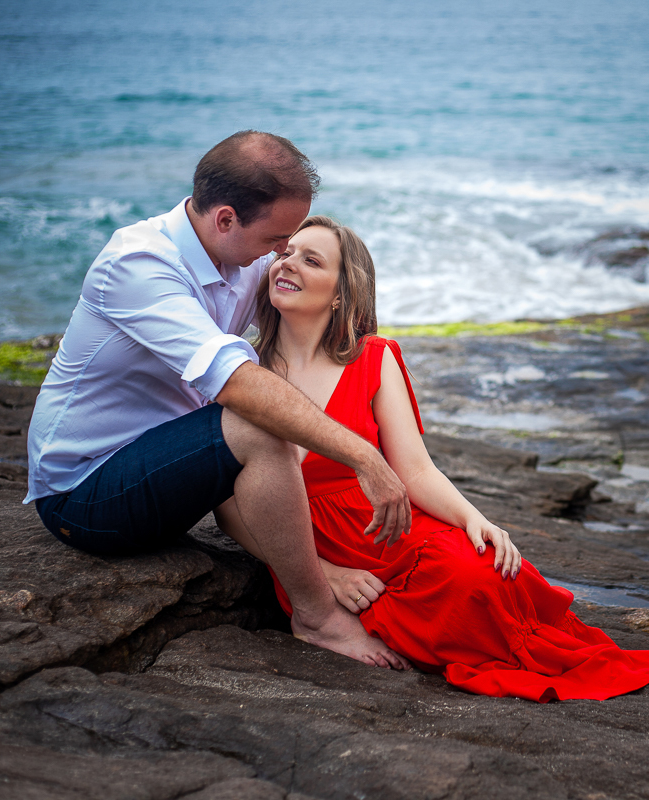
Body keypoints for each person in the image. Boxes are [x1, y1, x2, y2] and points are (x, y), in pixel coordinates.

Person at [218, 214, 649, 701]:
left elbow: (415, 470)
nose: (288, 263)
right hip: (312, 548)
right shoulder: (239, 369)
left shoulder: (373, 357)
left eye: (311, 259)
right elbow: (227, 505)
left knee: (483, 573)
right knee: (444, 607)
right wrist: (323, 573)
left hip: (393, 533)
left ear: (341, 291)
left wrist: (477, 519)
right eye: (284, 253)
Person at [25, 131, 410, 668]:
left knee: (259, 419)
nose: (282, 252)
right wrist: (363, 455)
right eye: (277, 238)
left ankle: (317, 571)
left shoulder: (242, 253)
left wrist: (372, 360)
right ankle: (317, 617)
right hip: (83, 496)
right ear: (225, 219)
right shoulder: (139, 264)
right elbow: (240, 385)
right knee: (255, 422)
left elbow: (307, 321)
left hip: (163, 471)